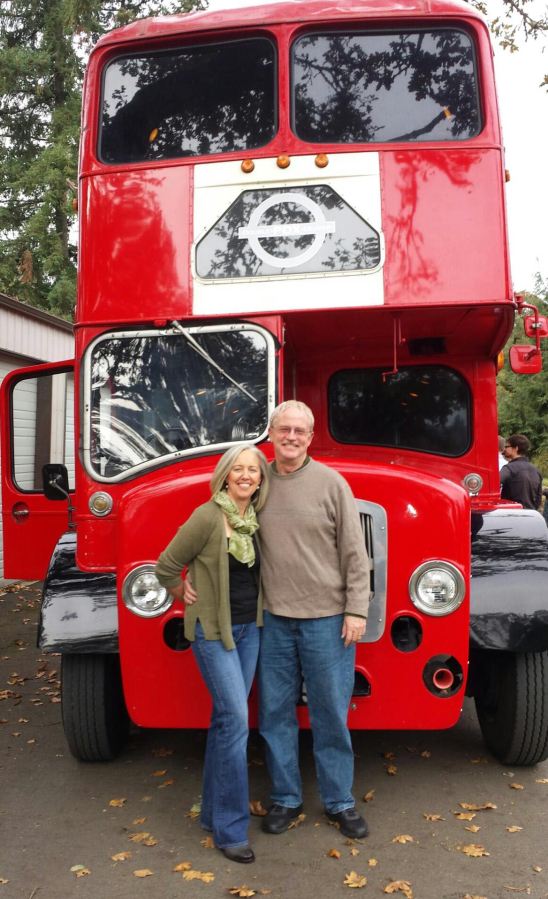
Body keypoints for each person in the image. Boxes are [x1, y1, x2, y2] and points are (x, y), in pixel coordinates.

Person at [257, 400, 370, 839]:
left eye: (299, 431)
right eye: (283, 429)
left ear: (310, 437)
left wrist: (357, 609)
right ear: (271, 432)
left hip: (328, 619)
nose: (290, 436)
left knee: (330, 713)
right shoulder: (254, 480)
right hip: (272, 621)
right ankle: (285, 797)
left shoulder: (331, 484)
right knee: (273, 713)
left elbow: (353, 553)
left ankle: (339, 801)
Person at [155, 444, 269, 864]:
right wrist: (178, 591)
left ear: (260, 479)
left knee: (225, 721)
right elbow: (166, 564)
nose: (245, 476)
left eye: (252, 470)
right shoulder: (207, 517)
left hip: (249, 630)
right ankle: (231, 829)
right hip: (212, 631)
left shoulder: (253, 520)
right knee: (237, 721)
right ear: (224, 475)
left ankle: (212, 814)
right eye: (237, 469)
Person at [500, 434, 542, 510]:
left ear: (515, 448)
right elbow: (538, 498)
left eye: (507, 447)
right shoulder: (536, 471)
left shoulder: (509, 468)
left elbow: (495, 483)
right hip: (530, 514)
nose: (504, 449)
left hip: (512, 514)